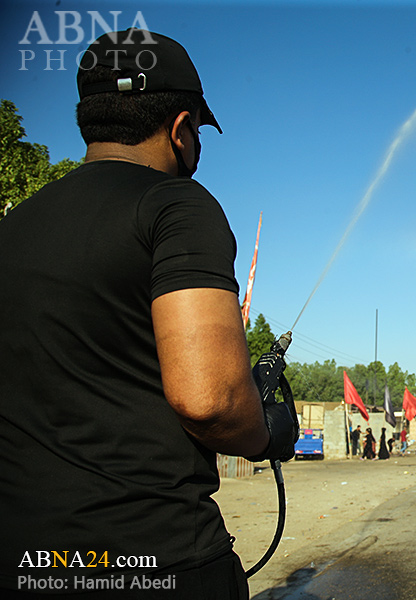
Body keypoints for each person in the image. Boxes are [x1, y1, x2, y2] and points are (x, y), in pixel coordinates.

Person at [0, 29, 298, 599]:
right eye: (198, 133)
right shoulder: (175, 206)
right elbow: (209, 399)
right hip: (156, 557)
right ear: (181, 129)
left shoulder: (14, 226)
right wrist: (267, 433)